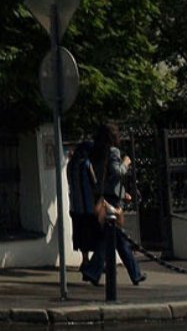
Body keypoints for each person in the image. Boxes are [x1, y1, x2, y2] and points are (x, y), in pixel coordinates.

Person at [82, 122, 146, 287]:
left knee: (114, 239)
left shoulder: (95, 152)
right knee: (114, 237)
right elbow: (116, 172)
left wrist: (123, 192)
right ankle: (94, 271)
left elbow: (102, 177)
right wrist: (126, 162)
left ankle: (134, 273)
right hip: (112, 202)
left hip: (102, 198)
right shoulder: (113, 152)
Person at [67, 136, 101, 272]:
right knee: (94, 234)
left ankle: (85, 260)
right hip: (89, 207)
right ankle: (95, 264)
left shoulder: (70, 164)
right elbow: (94, 183)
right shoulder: (87, 164)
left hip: (75, 207)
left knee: (80, 235)